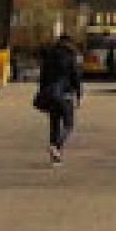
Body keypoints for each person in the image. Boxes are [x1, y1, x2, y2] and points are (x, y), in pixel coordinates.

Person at [35, 34, 83, 165]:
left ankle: (55, 158)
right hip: (65, 95)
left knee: (54, 125)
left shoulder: (49, 57)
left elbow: (42, 78)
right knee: (68, 124)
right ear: (69, 43)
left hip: (50, 95)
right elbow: (76, 77)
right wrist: (79, 95)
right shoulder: (70, 56)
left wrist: (42, 92)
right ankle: (56, 146)